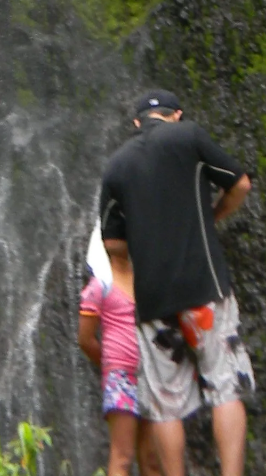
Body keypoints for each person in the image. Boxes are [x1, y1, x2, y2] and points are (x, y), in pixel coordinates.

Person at [97, 89, 255, 476]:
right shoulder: (189, 136)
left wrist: (139, 250)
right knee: (224, 386)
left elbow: (112, 242)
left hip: (153, 301)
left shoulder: (116, 166)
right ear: (177, 115)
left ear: (136, 124)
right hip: (205, 287)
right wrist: (213, 215)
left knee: (166, 405)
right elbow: (241, 185)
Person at [78, 238, 157, 476]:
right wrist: (111, 363)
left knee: (152, 459)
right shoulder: (99, 285)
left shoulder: (145, 280)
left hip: (152, 377)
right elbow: (85, 338)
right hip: (120, 379)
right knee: (122, 457)